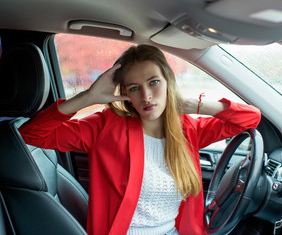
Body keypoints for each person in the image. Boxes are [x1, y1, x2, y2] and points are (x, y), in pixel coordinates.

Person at [19, 44, 261, 235]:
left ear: (168, 82)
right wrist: (89, 96)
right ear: (126, 94)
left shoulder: (188, 129)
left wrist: (190, 104)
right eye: (134, 88)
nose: (146, 96)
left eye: (154, 82)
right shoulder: (106, 127)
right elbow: (31, 134)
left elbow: (251, 118)